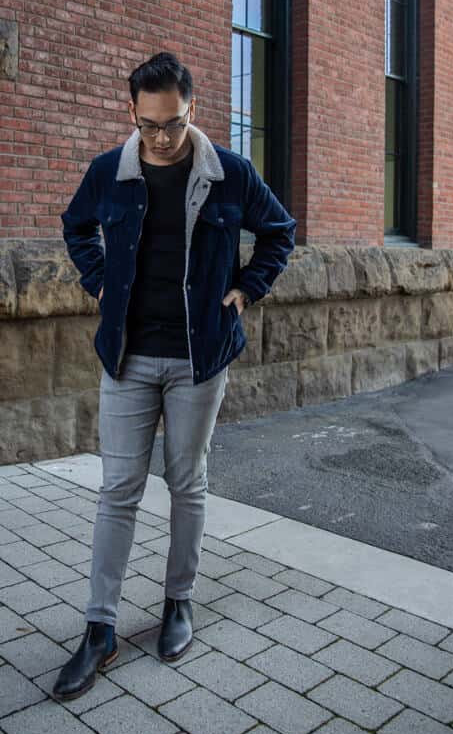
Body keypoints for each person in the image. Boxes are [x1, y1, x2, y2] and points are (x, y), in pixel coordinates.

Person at [53, 52, 296, 701]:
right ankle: (99, 627)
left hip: (199, 358)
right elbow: (76, 227)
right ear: (132, 113)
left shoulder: (229, 174)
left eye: (175, 123)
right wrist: (100, 283)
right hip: (128, 358)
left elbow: (279, 232)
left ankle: (178, 603)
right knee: (118, 488)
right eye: (150, 125)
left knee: (187, 481)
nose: (162, 138)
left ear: (194, 110)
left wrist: (246, 288)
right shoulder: (110, 172)